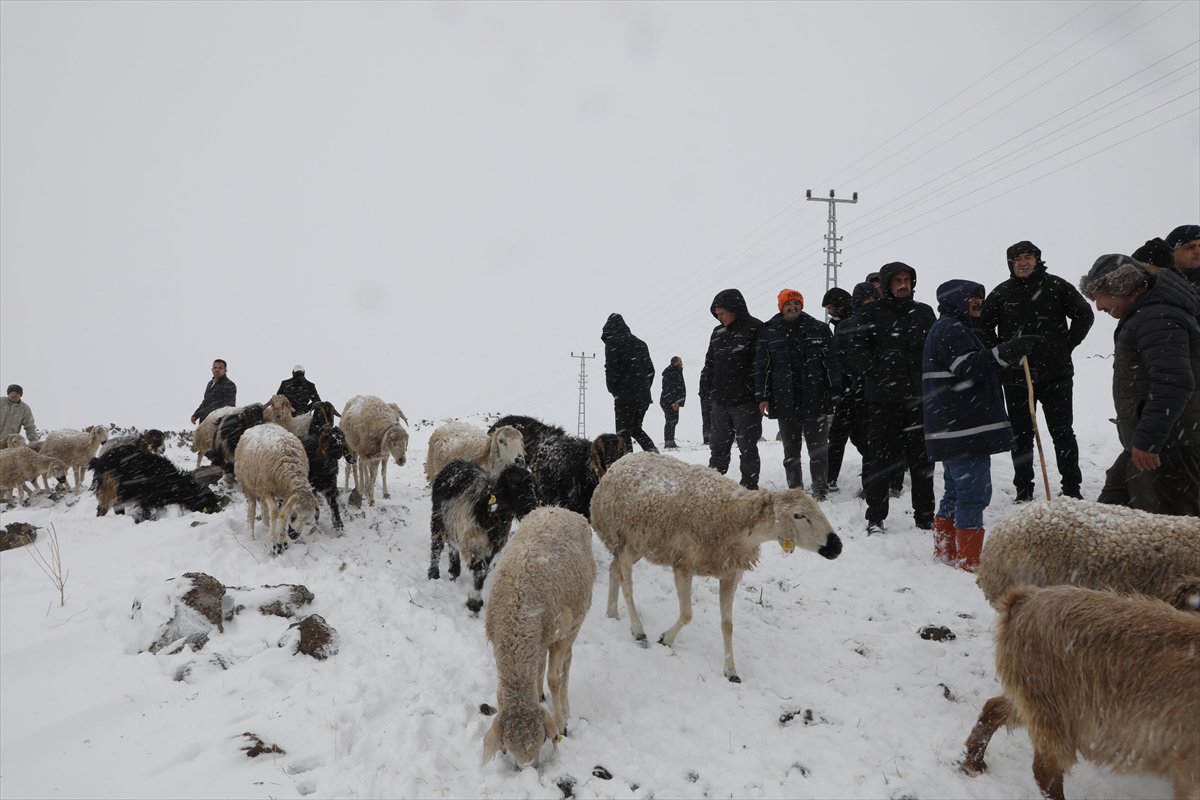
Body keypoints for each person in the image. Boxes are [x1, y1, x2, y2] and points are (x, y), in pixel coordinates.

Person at [922, 280, 1039, 571]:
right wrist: (1009, 350)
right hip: (964, 429)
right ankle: (969, 562)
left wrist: (1003, 356)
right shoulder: (952, 329)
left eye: (980, 298)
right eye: (972, 297)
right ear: (955, 300)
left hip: (954, 428)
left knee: (955, 492)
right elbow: (969, 369)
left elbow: (974, 366)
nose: (978, 302)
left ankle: (946, 553)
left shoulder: (949, 328)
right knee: (973, 495)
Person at [1079, 254, 1200, 517]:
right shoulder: (1146, 314)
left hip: (1168, 447)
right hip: (1150, 442)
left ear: (1120, 287)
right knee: (1107, 523)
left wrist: (1148, 440)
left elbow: (1174, 383)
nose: (1098, 306)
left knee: (1166, 535)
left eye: (1099, 296)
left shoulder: (1157, 317)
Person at [978, 241, 1094, 502]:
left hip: (1057, 375)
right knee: (1021, 436)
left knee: (1062, 432)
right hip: (1017, 378)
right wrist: (1004, 353)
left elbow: (1084, 315)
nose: (1023, 262)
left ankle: (1072, 488)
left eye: (1028, 257)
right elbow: (984, 327)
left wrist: (1066, 346)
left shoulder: (1056, 286)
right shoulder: (1002, 293)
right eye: (1017, 259)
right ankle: (1023, 488)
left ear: (1037, 259)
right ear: (1010, 264)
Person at [846, 262, 936, 534]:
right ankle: (875, 517)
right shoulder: (872, 312)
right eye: (897, 280)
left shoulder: (924, 313)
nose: (903, 284)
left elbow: (933, 348)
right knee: (880, 460)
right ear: (886, 284)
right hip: (883, 399)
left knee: (922, 461)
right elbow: (856, 347)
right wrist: (877, 370)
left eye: (907, 279)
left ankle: (924, 517)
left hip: (918, 399)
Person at [755, 289, 840, 497]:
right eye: (787, 303)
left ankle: (820, 488)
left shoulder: (819, 329)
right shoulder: (768, 331)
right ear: (781, 307)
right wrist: (762, 396)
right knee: (790, 453)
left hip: (815, 398)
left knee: (818, 450)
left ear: (802, 304)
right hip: (784, 401)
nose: (792, 306)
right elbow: (761, 367)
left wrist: (834, 391)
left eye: (796, 302)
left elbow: (832, 363)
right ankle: (795, 490)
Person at [703, 289, 764, 489]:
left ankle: (748, 488)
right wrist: (705, 388)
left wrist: (761, 395)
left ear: (734, 309)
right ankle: (713, 486)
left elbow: (762, 366)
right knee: (718, 447)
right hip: (720, 400)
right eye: (716, 315)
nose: (719, 318)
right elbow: (710, 363)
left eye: (722, 313)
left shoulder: (756, 329)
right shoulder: (716, 332)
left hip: (746, 401)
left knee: (747, 448)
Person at [601, 313, 657, 453]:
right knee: (636, 429)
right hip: (643, 396)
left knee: (623, 432)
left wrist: (614, 390)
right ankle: (654, 453)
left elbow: (611, 369)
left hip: (625, 396)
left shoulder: (613, 343)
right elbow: (651, 370)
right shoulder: (641, 343)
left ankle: (628, 462)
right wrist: (643, 388)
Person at [190, 359, 237, 425]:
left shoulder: (229, 385)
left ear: (225, 370)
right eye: (215, 367)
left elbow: (228, 407)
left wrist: (215, 418)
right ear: (212, 369)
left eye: (220, 368)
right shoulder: (210, 384)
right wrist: (196, 415)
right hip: (204, 423)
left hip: (219, 425)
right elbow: (205, 402)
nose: (217, 370)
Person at [659, 356, 686, 449]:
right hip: (669, 401)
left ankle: (670, 441)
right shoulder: (671, 373)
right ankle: (668, 442)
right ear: (675, 362)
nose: (682, 363)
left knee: (673, 420)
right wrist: (673, 402)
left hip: (673, 400)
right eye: (680, 361)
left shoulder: (676, 372)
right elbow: (669, 389)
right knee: (670, 421)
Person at [698, 363, 713, 446]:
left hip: (705, 398)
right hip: (710, 398)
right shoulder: (714, 370)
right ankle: (710, 438)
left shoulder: (704, 371)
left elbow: (702, 385)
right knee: (712, 419)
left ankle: (707, 439)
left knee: (706, 419)